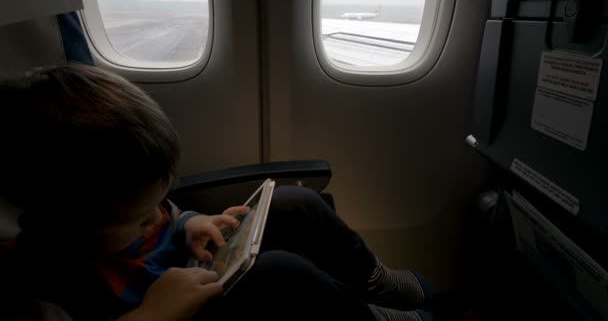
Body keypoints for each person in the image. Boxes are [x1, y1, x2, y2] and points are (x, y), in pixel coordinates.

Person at [0, 65, 434, 321]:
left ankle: (378, 283)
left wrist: (191, 223)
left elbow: (164, 214)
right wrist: (151, 316)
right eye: (143, 218)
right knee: (278, 274)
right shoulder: (41, 284)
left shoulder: (114, 206)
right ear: (68, 220)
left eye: (161, 202)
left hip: (189, 267)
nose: (158, 218)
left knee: (296, 203)